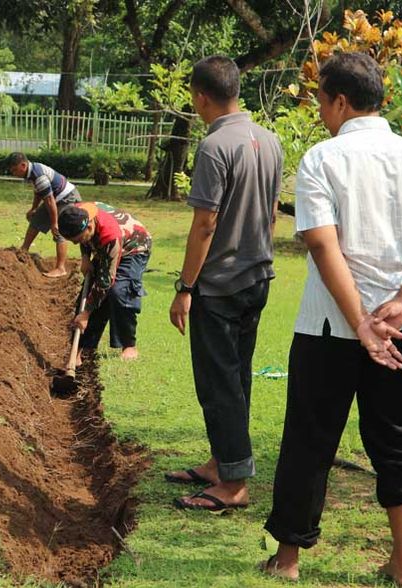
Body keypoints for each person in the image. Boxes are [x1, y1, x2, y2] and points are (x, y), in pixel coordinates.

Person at [260, 53, 402, 585]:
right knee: (399, 437)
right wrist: (401, 303)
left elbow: (324, 246)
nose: (322, 112)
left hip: (332, 324)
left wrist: (361, 321)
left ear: (342, 101)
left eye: (322, 101)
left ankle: (287, 560)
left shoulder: (323, 159)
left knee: (311, 435)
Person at [165, 55, 284, 511]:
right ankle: (223, 463)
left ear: (200, 97)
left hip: (220, 285)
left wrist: (185, 287)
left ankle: (233, 487)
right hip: (258, 277)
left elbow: (204, 225)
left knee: (219, 383)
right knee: (237, 377)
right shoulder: (269, 140)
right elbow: (271, 214)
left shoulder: (214, 148)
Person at [57, 202, 151, 361]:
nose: (76, 243)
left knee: (119, 291)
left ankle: (129, 345)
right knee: (87, 296)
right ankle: (81, 347)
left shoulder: (110, 235)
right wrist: (85, 257)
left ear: (89, 228)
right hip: (103, 246)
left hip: (134, 246)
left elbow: (106, 281)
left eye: (78, 239)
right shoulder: (75, 213)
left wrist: (86, 313)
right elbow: (83, 240)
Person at [8, 152, 82, 278]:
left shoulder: (39, 175)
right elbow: (39, 192)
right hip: (55, 198)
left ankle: (60, 268)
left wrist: (54, 223)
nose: (14, 174)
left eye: (15, 170)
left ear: (23, 165)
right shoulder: (31, 172)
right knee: (36, 220)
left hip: (67, 198)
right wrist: (34, 209)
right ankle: (23, 251)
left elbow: (49, 200)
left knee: (60, 230)